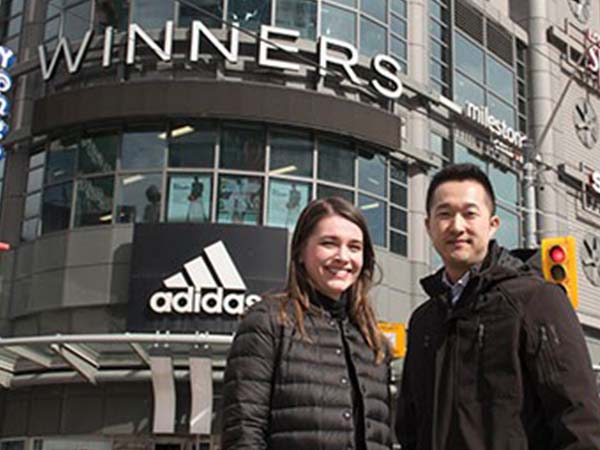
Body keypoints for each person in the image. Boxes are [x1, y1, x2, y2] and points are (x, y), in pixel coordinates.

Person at [396, 163, 600, 450]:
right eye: (444, 214)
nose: (457, 226)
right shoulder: (423, 321)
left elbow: (579, 419)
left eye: (469, 213)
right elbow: (409, 426)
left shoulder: (536, 300)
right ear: (428, 226)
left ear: (492, 225)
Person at [222, 197, 392, 450]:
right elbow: (244, 432)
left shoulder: (373, 341)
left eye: (354, 247)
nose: (343, 257)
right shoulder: (268, 321)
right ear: (301, 251)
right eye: (328, 243)